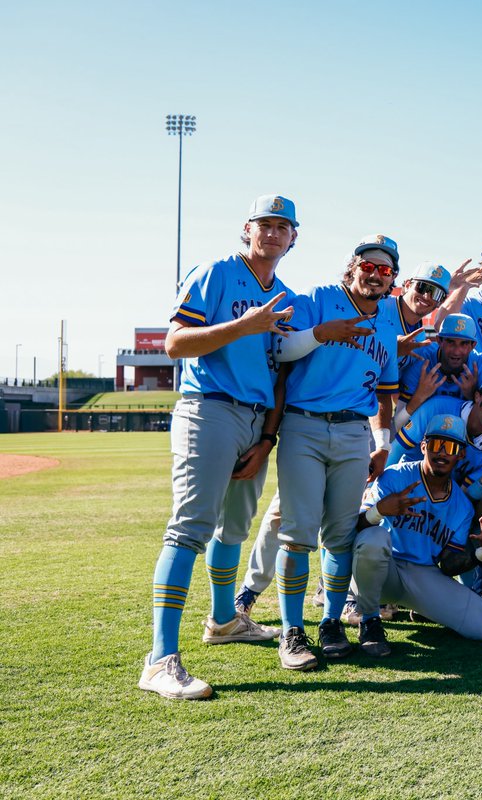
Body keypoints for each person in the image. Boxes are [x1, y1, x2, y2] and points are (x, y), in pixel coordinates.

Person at [139, 194, 299, 700]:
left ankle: (225, 619)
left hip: (255, 419)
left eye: (282, 226)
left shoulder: (288, 295)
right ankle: (159, 660)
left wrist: (268, 437)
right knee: (189, 529)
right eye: (264, 224)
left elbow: (282, 375)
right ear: (246, 229)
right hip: (209, 408)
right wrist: (243, 326)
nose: (272, 232)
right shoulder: (215, 272)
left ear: (294, 238)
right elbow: (175, 343)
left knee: (233, 528)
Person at [267, 234, 402, 668]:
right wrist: (322, 333)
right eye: (368, 265)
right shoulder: (319, 298)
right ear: (352, 267)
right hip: (303, 424)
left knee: (341, 535)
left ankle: (330, 621)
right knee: (297, 534)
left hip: (354, 432)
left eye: (385, 270)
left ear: (392, 279)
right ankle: (292, 630)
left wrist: (382, 444)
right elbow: (281, 349)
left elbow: (385, 395)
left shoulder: (387, 325)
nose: (375, 275)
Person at [351, 415, 482, 656]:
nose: (441, 452)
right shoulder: (394, 476)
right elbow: (352, 529)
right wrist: (378, 511)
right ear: (423, 447)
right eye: (436, 444)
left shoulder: (462, 506)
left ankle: (422, 609)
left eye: (450, 447)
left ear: (461, 454)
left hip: (423, 575)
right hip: (384, 570)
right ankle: (369, 621)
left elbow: (449, 565)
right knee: (373, 539)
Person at [398, 313, 482, 406]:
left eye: (464, 343)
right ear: (439, 340)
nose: (456, 351)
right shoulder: (420, 359)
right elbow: (399, 416)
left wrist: (472, 396)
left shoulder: (481, 366)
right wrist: (419, 397)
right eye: (451, 342)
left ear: (473, 345)